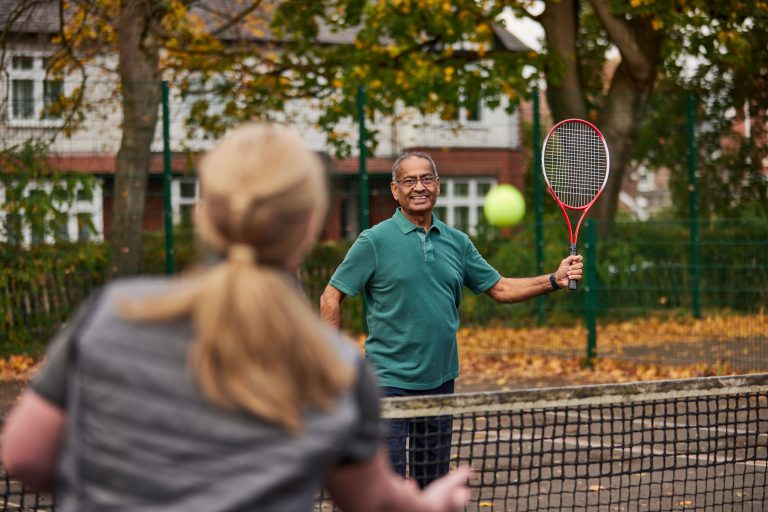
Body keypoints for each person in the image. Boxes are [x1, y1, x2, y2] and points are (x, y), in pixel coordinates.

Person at [1, 126, 470, 512]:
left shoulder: (110, 313)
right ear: (309, 226)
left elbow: (23, 457)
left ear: (204, 216)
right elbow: (370, 501)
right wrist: (434, 504)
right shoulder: (333, 368)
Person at [320, 151, 583, 488]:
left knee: (432, 488)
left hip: (440, 384)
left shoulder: (458, 243)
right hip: (387, 386)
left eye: (426, 179)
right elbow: (331, 297)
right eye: (409, 180)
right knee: (389, 490)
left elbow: (500, 288)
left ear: (438, 186)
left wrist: (553, 280)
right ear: (395, 190)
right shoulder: (374, 241)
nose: (419, 187)